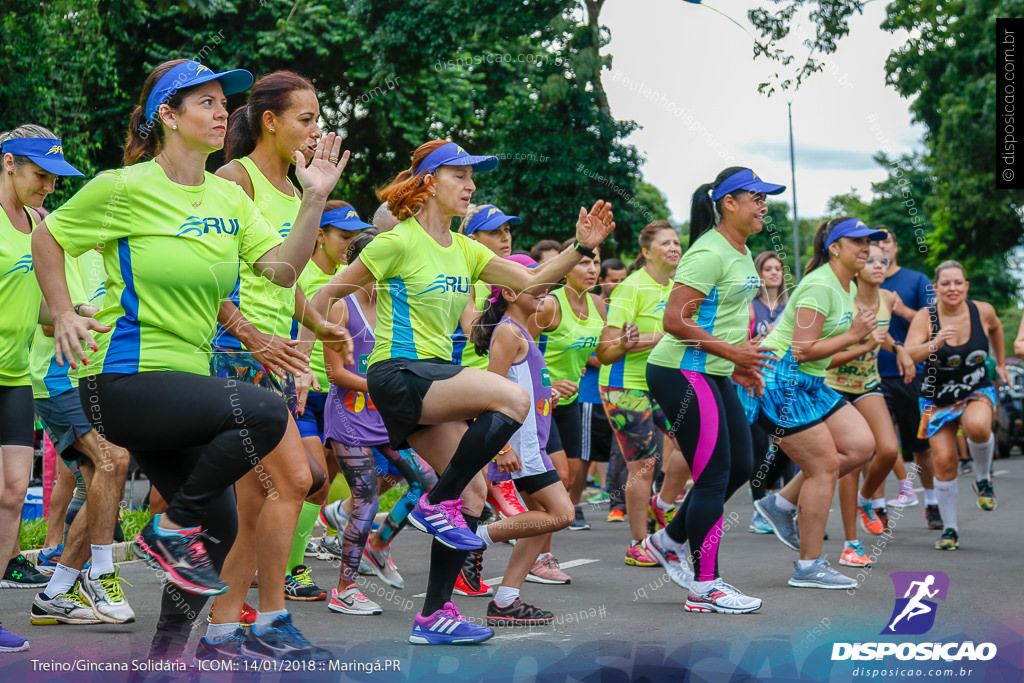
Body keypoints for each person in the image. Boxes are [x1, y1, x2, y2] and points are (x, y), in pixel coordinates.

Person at [32, 59, 348, 661]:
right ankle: (169, 527)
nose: (221, 111)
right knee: (259, 413)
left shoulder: (229, 195)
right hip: (121, 379)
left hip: (183, 387)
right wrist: (63, 309)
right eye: (203, 102)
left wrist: (313, 201)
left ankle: (166, 658)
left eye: (223, 102)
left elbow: (280, 272)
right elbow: (49, 237)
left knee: (224, 525)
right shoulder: (122, 187)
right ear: (167, 117)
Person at [308, 138, 615, 645]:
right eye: (460, 176)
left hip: (431, 377)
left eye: (473, 177)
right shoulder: (397, 241)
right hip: (398, 372)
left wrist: (579, 248)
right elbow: (325, 292)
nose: (471, 186)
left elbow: (534, 279)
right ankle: (435, 505)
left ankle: (434, 615)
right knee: (511, 398)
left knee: (473, 494)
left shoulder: (468, 249)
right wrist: (323, 331)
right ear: (429, 182)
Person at [642, 167, 783, 612]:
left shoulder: (742, 251)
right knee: (713, 474)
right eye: (755, 198)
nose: (763, 205)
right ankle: (706, 586)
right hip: (680, 371)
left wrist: (735, 364)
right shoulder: (707, 253)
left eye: (766, 198)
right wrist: (733, 354)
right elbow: (674, 321)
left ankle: (669, 540)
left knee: (742, 463)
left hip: (712, 371)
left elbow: (718, 320)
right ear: (728, 203)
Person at [753, 217, 883, 589]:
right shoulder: (819, 285)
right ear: (835, 247)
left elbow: (814, 357)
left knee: (861, 445)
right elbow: (800, 349)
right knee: (824, 466)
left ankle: (780, 504)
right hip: (779, 378)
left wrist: (857, 338)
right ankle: (808, 566)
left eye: (868, 241)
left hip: (808, 381)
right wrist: (855, 334)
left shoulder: (846, 286)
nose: (865, 247)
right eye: (857, 241)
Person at [0, 125, 86, 651]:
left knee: (11, 493)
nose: (49, 185)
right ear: (8, 162)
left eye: (56, 177)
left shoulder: (39, 225)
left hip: (12, 376)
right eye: (40, 174)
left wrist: (74, 317)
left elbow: (40, 311)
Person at [319, 228, 429, 614]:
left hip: (384, 418)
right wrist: (382, 386)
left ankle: (379, 544)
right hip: (349, 417)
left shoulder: (395, 308)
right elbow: (334, 373)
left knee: (424, 481)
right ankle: (344, 590)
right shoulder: (340, 306)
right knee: (365, 500)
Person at [471, 253, 575, 625]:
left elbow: (520, 388)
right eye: (534, 280)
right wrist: (501, 446)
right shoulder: (508, 333)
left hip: (533, 444)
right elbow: (487, 393)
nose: (544, 289)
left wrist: (549, 395)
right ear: (511, 292)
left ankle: (506, 600)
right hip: (522, 448)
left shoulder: (522, 333)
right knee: (562, 514)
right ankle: (474, 539)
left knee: (544, 518)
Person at [903, 261, 1009, 550]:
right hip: (937, 398)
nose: (952, 289)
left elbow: (997, 328)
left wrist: (1000, 363)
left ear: (966, 286)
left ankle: (984, 479)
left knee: (977, 426)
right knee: (945, 461)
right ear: (936, 288)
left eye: (958, 283)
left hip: (976, 387)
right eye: (946, 284)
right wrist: (934, 343)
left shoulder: (982, 310)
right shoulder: (926, 317)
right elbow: (909, 353)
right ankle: (950, 530)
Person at [596, 221, 683, 567]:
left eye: (677, 242)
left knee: (695, 444)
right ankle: (638, 544)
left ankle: (661, 504)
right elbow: (605, 350)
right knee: (644, 465)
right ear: (646, 252)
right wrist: (644, 341)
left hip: (663, 381)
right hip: (624, 384)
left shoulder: (679, 288)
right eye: (666, 243)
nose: (675, 248)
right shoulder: (630, 289)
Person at [824, 241, 914, 567]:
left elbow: (884, 333)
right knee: (850, 462)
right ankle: (851, 545)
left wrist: (900, 348)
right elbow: (824, 352)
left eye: (884, 261)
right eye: (872, 260)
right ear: (858, 266)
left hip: (868, 384)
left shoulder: (888, 299)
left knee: (889, 450)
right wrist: (862, 346)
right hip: (834, 386)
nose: (879, 265)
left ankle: (867, 499)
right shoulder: (841, 298)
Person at [534, 239, 605, 533]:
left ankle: (532, 535)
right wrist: (547, 383)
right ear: (566, 267)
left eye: (596, 262)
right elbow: (515, 347)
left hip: (569, 403)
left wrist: (625, 342)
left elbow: (600, 355)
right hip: (539, 402)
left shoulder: (598, 304)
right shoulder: (550, 304)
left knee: (571, 479)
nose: (592, 269)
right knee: (558, 478)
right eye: (583, 262)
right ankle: (535, 546)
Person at [877, 229, 940, 527]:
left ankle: (933, 503)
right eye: (873, 243)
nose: (880, 247)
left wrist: (903, 310)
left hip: (911, 375)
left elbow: (936, 323)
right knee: (878, 447)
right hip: (872, 375)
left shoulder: (917, 280)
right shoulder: (864, 281)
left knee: (921, 447)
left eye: (886, 241)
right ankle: (877, 509)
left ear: (896, 247)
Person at [747, 250, 793, 534]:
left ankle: (785, 506)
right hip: (755, 382)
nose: (774, 273)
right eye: (768, 269)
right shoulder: (751, 306)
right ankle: (759, 510)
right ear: (759, 275)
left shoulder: (791, 307)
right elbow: (742, 340)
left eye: (778, 268)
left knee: (788, 445)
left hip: (785, 383)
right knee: (759, 449)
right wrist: (762, 339)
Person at [588, 258, 628, 522]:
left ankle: (622, 504)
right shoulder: (595, 306)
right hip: (597, 387)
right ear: (602, 280)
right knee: (592, 452)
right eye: (614, 279)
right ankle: (575, 507)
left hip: (632, 384)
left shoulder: (629, 304)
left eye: (623, 279)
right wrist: (612, 353)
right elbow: (592, 352)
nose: (619, 285)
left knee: (626, 446)